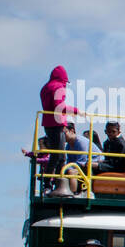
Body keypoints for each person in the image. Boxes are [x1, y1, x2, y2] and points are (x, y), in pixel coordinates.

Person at [39, 65, 81, 195]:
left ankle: (54, 184)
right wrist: (77, 111)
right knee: (59, 156)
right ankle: (54, 185)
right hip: (56, 124)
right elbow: (59, 107)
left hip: (48, 124)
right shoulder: (58, 87)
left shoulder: (45, 88)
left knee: (58, 155)